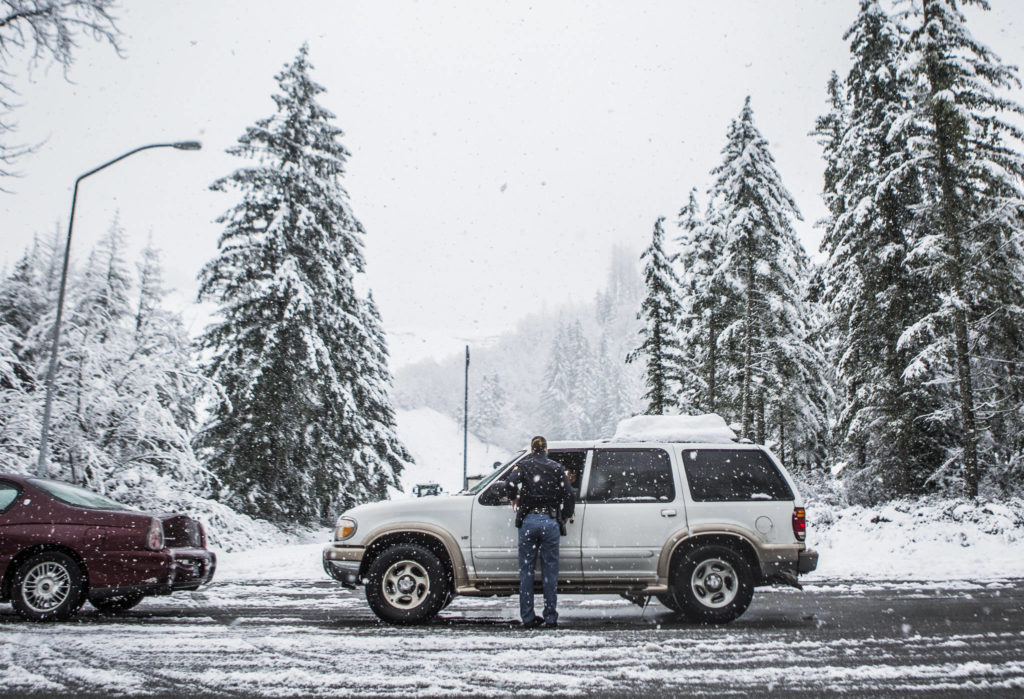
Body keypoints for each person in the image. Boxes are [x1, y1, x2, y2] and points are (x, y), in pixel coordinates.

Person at [506, 435, 575, 628]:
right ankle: (550, 616)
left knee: (526, 571)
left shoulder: (525, 466)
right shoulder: (556, 467)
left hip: (529, 521)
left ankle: (528, 617)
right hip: (550, 521)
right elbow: (569, 493)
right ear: (546, 450)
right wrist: (566, 514)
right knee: (549, 572)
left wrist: (514, 498)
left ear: (531, 450)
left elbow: (509, 484)